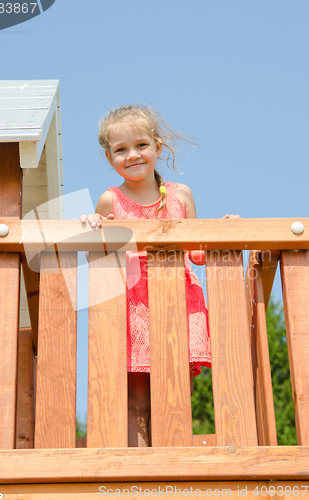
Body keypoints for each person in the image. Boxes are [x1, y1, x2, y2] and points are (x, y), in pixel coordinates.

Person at [81, 105, 237, 447]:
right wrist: (92, 224)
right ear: (109, 158)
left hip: (180, 303)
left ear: (158, 147)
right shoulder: (110, 200)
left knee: (175, 391)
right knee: (137, 397)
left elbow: (197, 253)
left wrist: (221, 231)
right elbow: (104, 255)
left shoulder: (181, 195)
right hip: (134, 305)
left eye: (140, 145)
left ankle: (172, 461)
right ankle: (140, 467)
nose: (132, 155)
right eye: (120, 150)